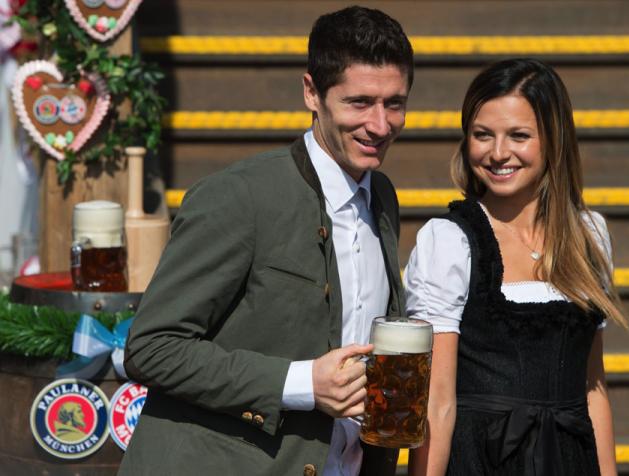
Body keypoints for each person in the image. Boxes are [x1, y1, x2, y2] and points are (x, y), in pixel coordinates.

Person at [119, 6, 413, 476]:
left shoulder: (382, 195)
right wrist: (302, 382)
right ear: (311, 93)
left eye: (394, 104)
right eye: (359, 102)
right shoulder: (239, 196)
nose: (380, 125)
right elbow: (152, 347)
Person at [404, 58, 629, 476]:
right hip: (480, 462)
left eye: (519, 136)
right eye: (482, 135)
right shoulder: (449, 241)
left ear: (554, 140)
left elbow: (592, 389)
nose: (498, 153)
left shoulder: (589, 235)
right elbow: (437, 401)